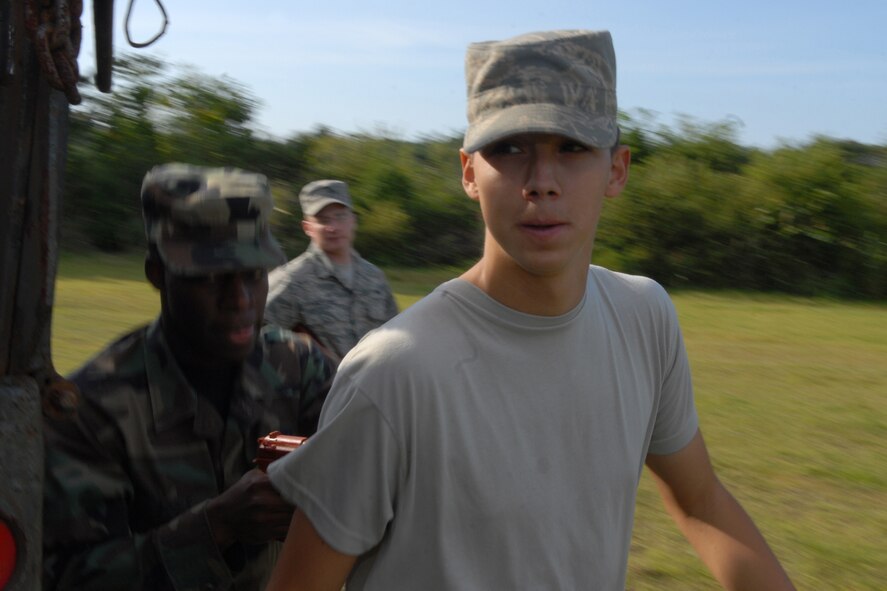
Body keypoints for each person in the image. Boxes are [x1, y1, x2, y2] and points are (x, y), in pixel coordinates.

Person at [264, 30, 796, 590]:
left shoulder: (644, 318)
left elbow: (701, 499)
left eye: (572, 148)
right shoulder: (395, 373)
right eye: (509, 149)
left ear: (617, 169)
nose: (541, 182)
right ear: (469, 172)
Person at [42, 164, 337, 590]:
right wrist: (216, 527)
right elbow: (65, 576)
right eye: (211, 278)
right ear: (157, 274)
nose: (240, 300)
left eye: (254, 275)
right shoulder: (92, 408)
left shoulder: (298, 366)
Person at [264, 179, 398, 361]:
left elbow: (396, 335)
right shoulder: (292, 280)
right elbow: (254, 336)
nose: (333, 227)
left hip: (375, 385)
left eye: (340, 216)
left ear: (353, 220)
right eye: (322, 220)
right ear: (307, 227)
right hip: (325, 389)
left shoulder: (374, 277)